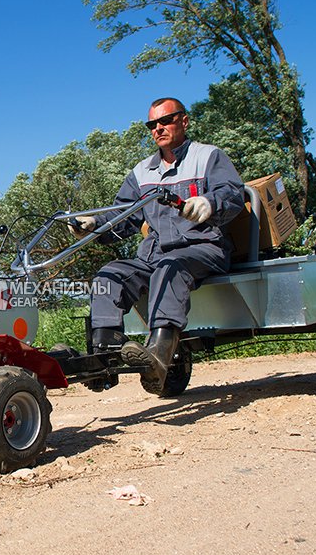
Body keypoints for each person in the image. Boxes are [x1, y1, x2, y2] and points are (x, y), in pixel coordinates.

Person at [70, 97, 245, 394]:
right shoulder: (142, 173)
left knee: (169, 268)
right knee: (108, 276)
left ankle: (158, 360)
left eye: (165, 121)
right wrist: (93, 225)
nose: (158, 128)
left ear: (184, 121)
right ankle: (104, 359)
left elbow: (232, 193)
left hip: (202, 247)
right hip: (155, 253)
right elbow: (122, 216)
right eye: (152, 124)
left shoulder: (208, 157)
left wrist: (209, 202)